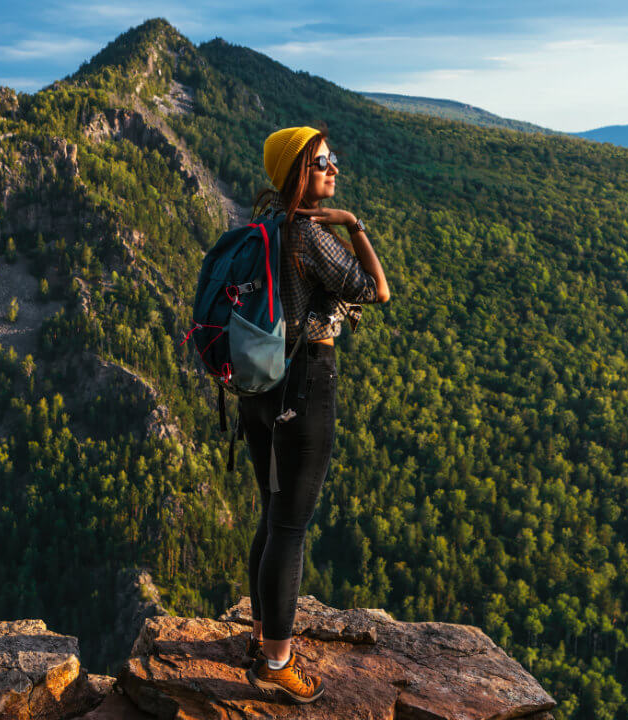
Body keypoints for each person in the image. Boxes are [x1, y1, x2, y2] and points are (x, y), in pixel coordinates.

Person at [241, 125, 391, 704]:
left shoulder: (265, 230)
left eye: (333, 156)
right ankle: (278, 662)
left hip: (260, 389)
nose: (335, 167)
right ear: (300, 172)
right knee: (291, 526)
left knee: (271, 514)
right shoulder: (310, 236)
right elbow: (378, 292)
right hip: (306, 385)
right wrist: (354, 227)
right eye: (324, 160)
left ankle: (260, 639)